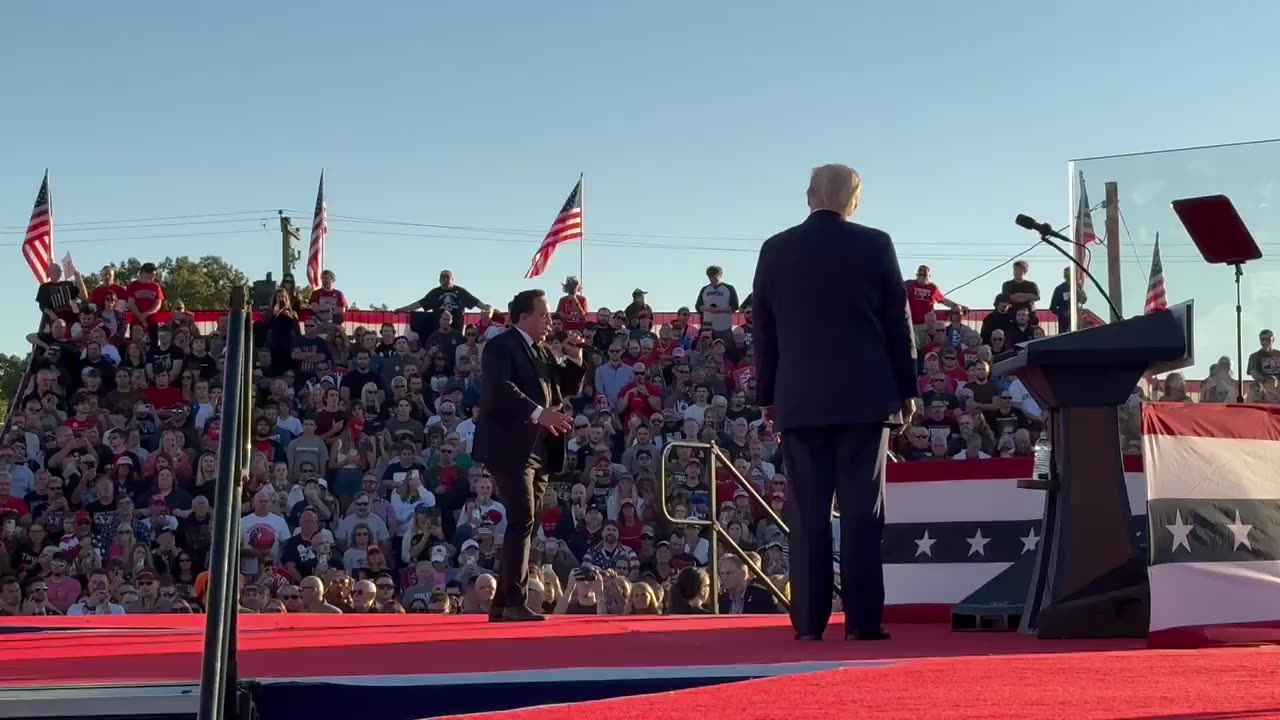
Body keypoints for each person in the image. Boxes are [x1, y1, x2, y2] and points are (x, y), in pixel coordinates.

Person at [751, 163, 916, 642]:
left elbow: (763, 331)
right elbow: (897, 324)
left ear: (809, 197)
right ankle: (864, 622)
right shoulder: (876, 244)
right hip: (867, 397)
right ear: (854, 200)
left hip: (800, 400)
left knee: (807, 513)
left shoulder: (776, 250)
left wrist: (769, 397)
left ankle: (808, 622)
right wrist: (907, 391)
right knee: (864, 513)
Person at [472, 289, 586, 622]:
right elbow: (500, 390)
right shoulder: (500, 346)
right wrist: (539, 413)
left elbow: (566, 387)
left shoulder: (544, 351)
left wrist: (574, 356)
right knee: (522, 519)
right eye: (544, 315)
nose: (550, 321)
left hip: (539, 449)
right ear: (524, 317)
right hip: (509, 446)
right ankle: (513, 602)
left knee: (528, 522)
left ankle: (502, 603)